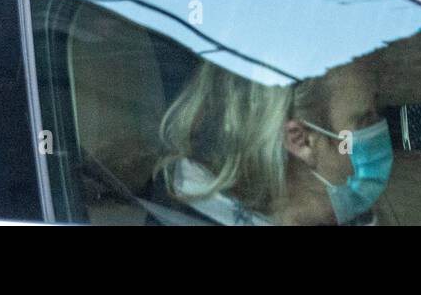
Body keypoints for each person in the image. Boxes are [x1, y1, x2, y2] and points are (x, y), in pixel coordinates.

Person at [155, 57, 394, 226]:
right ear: (301, 140)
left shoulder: (355, 217)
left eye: (377, 111)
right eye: (364, 121)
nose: (379, 129)